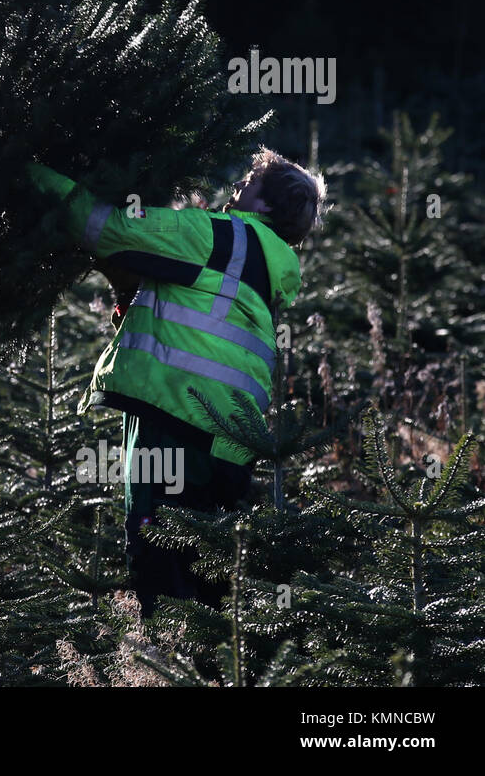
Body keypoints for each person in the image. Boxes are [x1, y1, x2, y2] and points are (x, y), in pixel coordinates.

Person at [27, 148, 326, 617]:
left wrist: (29, 170)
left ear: (264, 207)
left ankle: (160, 663)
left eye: (250, 180)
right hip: (231, 450)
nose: (239, 185)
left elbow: (107, 228)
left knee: (154, 563)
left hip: (173, 421)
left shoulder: (221, 233)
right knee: (206, 578)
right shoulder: (271, 270)